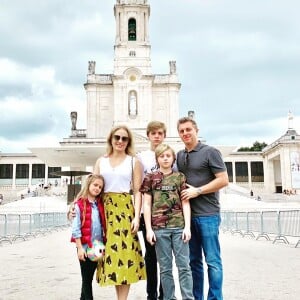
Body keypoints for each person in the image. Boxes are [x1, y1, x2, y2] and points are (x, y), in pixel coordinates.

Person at [176, 117, 229, 300]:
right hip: (188, 219)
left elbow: (223, 180)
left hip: (208, 215)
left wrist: (198, 191)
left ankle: (214, 298)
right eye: (182, 131)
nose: (185, 133)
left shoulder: (210, 152)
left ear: (196, 130)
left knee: (213, 262)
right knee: (193, 263)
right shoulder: (180, 156)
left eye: (188, 129)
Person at [94, 125, 146, 300]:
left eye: (124, 138)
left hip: (124, 211)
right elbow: (92, 188)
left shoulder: (134, 161)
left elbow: (138, 191)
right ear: (111, 138)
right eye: (117, 137)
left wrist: (137, 217)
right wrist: (77, 207)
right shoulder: (101, 161)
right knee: (105, 254)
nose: (120, 141)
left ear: (128, 141)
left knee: (124, 255)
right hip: (103, 209)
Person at [140, 143, 194, 300]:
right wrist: (149, 229)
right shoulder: (150, 178)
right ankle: (169, 298)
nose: (165, 158)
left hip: (179, 227)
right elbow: (147, 204)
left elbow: (185, 203)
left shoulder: (179, 177)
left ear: (173, 159)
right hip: (159, 229)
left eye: (168, 156)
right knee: (165, 268)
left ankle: (187, 297)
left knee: (184, 267)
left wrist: (187, 227)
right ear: (157, 159)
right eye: (162, 156)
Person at [137, 120, 166, 300]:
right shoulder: (142, 157)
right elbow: (138, 185)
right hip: (148, 213)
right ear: (148, 135)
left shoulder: (170, 155)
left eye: (160, 133)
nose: (157, 136)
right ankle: (151, 294)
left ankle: (166, 293)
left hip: (167, 213)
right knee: (151, 255)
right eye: (153, 133)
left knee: (165, 257)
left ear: (164, 135)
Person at [71, 174, 106, 300]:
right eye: (95, 185)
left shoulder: (100, 204)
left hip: (99, 246)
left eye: (100, 187)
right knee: (86, 279)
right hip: (85, 246)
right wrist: (79, 248)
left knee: (88, 278)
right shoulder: (79, 204)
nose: (97, 188)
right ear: (89, 184)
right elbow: (76, 228)